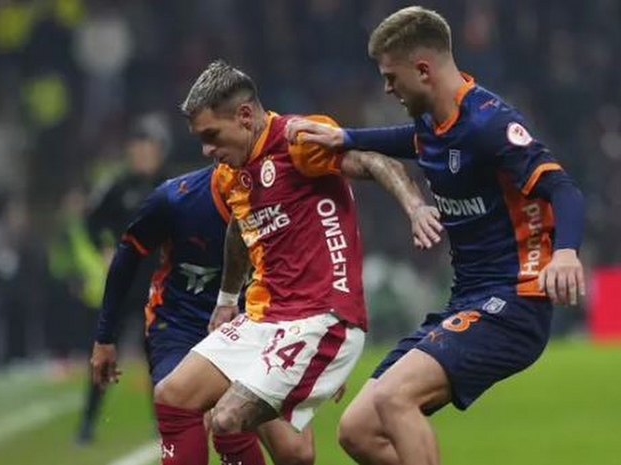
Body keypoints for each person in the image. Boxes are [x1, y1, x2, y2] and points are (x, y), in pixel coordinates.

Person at [97, 60, 441, 465]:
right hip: (263, 317)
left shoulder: (299, 140)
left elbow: (373, 161)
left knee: (228, 420)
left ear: (245, 116)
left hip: (322, 317)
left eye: (212, 136)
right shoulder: (232, 172)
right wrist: (227, 299)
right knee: (173, 396)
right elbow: (239, 226)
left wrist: (415, 207)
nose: (207, 151)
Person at [284, 7, 586, 465]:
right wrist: (345, 137)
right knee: (358, 431)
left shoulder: (490, 124)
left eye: (391, 77)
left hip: (513, 301)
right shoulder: (434, 122)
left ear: (423, 70)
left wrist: (565, 254)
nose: (388, 89)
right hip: (466, 300)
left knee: (395, 399)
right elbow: (411, 139)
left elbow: (562, 188)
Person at [90, 164, 317, 465]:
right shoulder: (175, 199)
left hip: (252, 329)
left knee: (296, 452)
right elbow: (128, 254)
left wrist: (323, 353)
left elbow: (309, 276)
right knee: (202, 413)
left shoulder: (282, 199)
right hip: (179, 328)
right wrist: (105, 337)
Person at [77, 124, 168, 444]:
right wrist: (103, 248)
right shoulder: (117, 187)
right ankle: (88, 423)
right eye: (138, 149)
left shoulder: (170, 186)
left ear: (158, 153)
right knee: (104, 350)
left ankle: (163, 424)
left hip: (158, 286)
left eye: (148, 149)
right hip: (123, 284)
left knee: (158, 357)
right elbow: (90, 221)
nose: (142, 155)